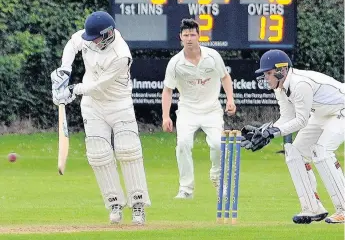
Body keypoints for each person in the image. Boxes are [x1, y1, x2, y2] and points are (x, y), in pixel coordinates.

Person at [50, 11, 151, 225]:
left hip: (119, 104)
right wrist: (65, 69)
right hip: (93, 106)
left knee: (128, 151)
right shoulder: (90, 38)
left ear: (107, 35)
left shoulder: (121, 54)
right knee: (98, 154)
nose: (91, 42)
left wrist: (72, 90)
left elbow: (99, 86)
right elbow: (72, 44)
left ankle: (138, 205)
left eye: (95, 38)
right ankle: (114, 203)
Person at [241, 49, 344, 224]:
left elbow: (302, 121)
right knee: (295, 151)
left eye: (268, 73)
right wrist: (267, 132)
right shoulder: (279, 88)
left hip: (341, 109)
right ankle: (312, 207)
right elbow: (287, 117)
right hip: (321, 113)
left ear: (281, 70)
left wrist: (273, 132)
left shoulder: (300, 84)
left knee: (322, 151)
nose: (266, 78)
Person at [161, 18, 236, 199]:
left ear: (199, 36)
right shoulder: (175, 63)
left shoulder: (212, 56)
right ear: (180, 37)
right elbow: (168, 90)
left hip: (211, 110)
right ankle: (186, 189)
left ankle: (217, 178)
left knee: (219, 144)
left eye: (192, 34)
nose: (189, 38)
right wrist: (165, 116)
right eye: (185, 35)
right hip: (188, 111)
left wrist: (230, 99)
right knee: (183, 145)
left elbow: (225, 77)